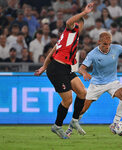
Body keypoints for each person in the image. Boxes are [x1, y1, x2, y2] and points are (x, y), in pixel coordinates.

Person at [66, 31, 122, 135]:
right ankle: (70, 129)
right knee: (82, 109)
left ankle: (115, 124)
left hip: (112, 82)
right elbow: (81, 68)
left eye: (109, 43)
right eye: (105, 44)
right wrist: (84, 73)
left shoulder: (117, 48)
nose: (107, 46)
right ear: (99, 42)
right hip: (96, 84)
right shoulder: (93, 54)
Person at [34, 2, 94, 139]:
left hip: (65, 68)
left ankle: (74, 121)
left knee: (82, 92)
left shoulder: (70, 37)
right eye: (80, 24)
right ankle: (57, 126)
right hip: (56, 69)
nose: (81, 27)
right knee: (67, 100)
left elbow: (53, 51)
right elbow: (69, 21)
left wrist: (43, 66)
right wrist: (84, 13)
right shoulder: (71, 30)